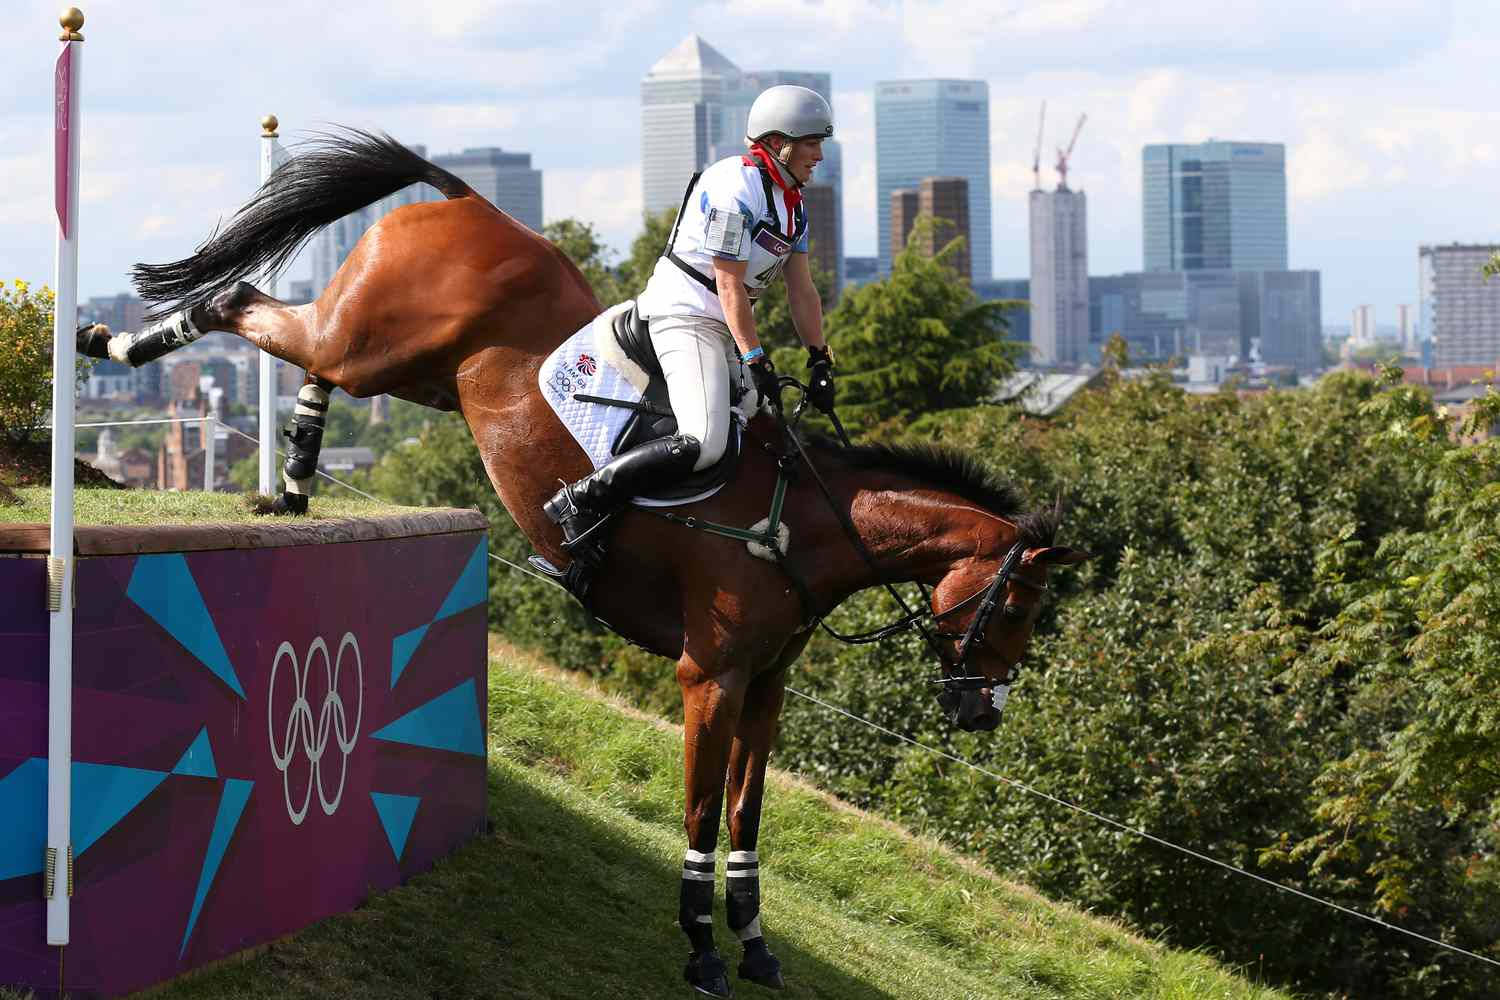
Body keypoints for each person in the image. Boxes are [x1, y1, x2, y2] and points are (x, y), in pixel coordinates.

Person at [543, 85, 837, 565]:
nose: (819, 155)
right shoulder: (734, 187)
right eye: (811, 144)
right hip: (685, 317)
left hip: (723, 325)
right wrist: (755, 356)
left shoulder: (794, 202)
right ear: (779, 142)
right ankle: (580, 500)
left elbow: (801, 290)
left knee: (765, 424)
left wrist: (819, 359)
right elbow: (728, 285)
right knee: (703, 442)